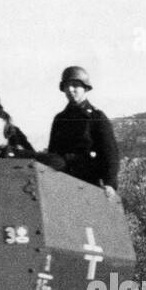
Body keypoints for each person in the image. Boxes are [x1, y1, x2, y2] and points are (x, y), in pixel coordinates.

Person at [47, 66, 120, 195]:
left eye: (75, 85)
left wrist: (110, 183)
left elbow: (110, 153)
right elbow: (52, 152)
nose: (70, 90)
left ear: (85, 88)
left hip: (88, 183)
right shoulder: (60, 119)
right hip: (62, 182)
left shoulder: (97, 118)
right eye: (66, 86)